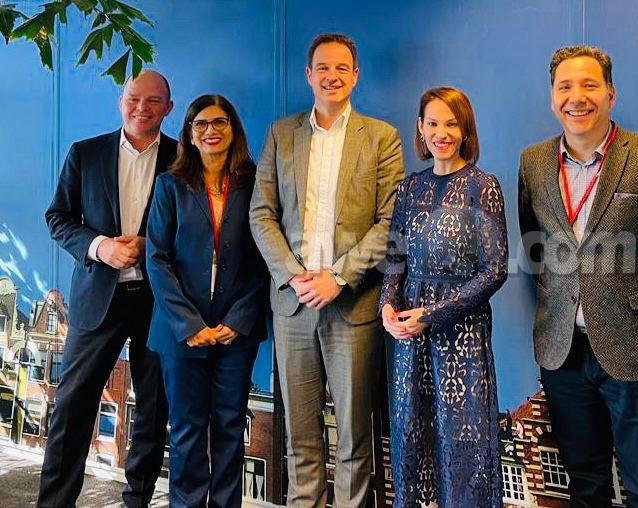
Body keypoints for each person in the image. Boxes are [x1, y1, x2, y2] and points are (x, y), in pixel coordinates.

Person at [518, 46, 638, 507]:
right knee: (585, 486)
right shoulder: (533, 162)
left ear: (610, 93)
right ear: (552, 97)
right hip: (562, 352)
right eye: (565, 87)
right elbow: (536, 249)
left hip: (636, 347)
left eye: (589, 85)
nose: (577, 97)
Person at [249, 32, 404, 507]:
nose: (331, 76)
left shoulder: (381, 137)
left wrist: (337, 277)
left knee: (354, 436)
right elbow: (261, 213)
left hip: (352, 305)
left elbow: (390, 221)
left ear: (355, 76)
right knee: (300, 435)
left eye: (341, 68)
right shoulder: (281, 134)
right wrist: (293, 276)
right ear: (308, 75)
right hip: (293, 305)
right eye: (323, 67)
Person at [41, 70, 174, 508]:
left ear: (168, 108)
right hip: (97, 299)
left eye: (153, 101)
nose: (142, 108)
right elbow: (58, 218)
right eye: (134, 98)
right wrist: (101, 247)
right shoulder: (86, 153)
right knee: (72, 409)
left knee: (153, 410)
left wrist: (151, 245)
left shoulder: (183, 158)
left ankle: (137, 500)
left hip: (159, 302)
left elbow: (194, 228)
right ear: (121, 102)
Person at [380, 87, 508, 507]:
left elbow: (494, 270)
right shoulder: (409, 188)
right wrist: (387, 305)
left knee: (462, 442)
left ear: (465, 129)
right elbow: (395, 258)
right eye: (433, 123)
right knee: (411, 434)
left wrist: (432, 315)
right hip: (409, 337)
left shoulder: (482, 187)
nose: (441, 133)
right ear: (420, 128)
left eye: (451, 124)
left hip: (462, 338)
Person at [145, 94, 268, 507]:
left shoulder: (255, 183)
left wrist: (239, 317)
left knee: (230, 428)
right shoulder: (169, 185)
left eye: (219, 122)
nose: (211, 131)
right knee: (186, 430)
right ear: (189, 133)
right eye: (201, 124)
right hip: (181, 331)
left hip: (237, 328)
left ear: (233, 129)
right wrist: (189, 325)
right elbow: (157, 259)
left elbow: (265, 257)